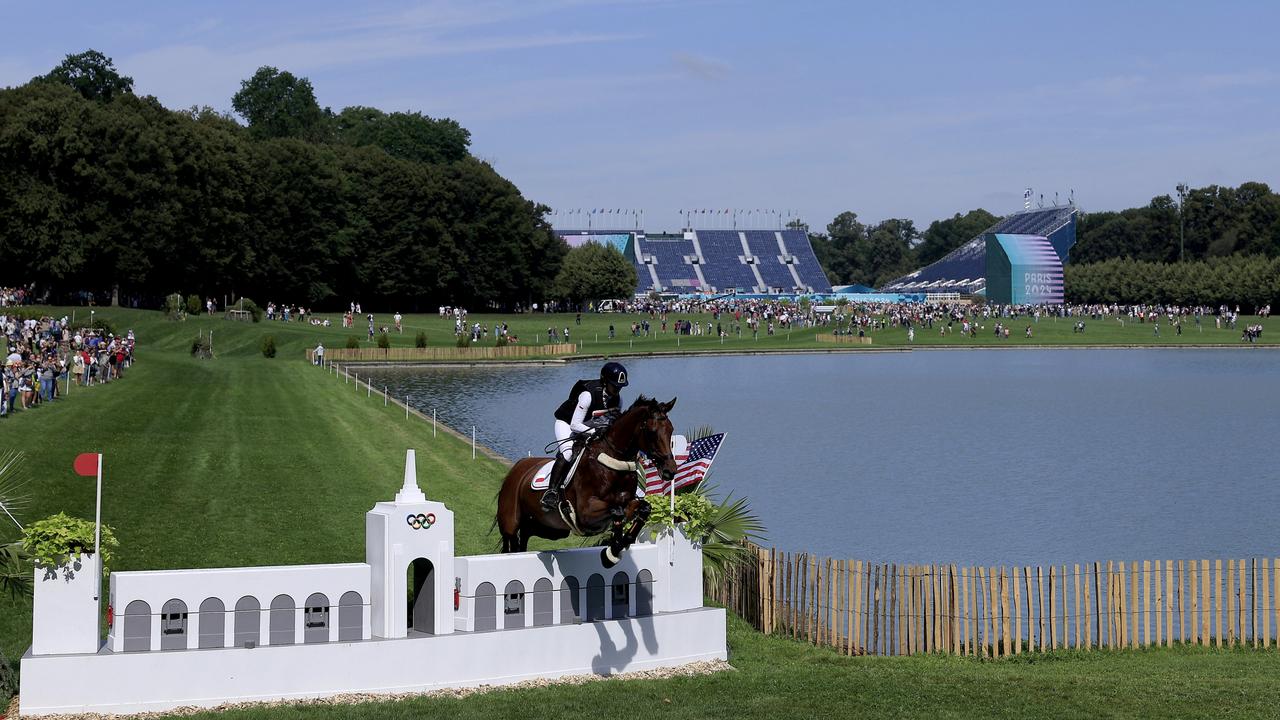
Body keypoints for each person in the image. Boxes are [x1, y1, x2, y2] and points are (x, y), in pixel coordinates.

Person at [540, 361, 629, 512]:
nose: (617, 390)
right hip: (567, 424)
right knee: (568, 454)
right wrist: (595, 433)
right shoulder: (588, 395)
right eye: (615, 386)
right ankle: (552, 492)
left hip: (591, 428)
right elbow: (575, 425)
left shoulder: (618, 400)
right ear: (605, 381)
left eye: (620, 387)